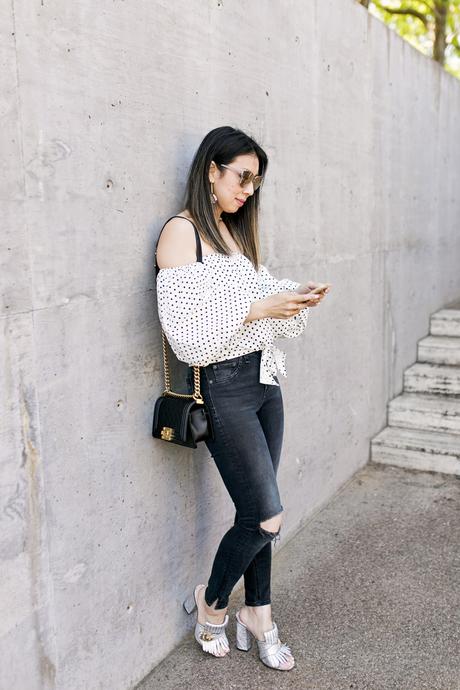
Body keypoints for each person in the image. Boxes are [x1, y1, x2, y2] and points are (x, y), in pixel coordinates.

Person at [155, 125, 330, 671]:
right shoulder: (181, 234)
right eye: (242, 177)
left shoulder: (233, 235)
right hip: (225, 387)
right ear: (212, 169)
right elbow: (185, 334)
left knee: (257, 513)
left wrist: (292, 298)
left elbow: (259, 297)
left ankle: (259, 612)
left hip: (264, 382)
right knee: (266, 515)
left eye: (256, 182)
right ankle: (212, 607)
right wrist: (257, 310)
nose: (249, 190)